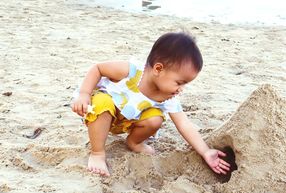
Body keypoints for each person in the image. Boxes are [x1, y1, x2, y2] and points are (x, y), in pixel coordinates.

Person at [72, 32, 231, 177]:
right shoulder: (131, 71)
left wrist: (205, 152)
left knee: (155, 119)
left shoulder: (168, 97)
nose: (181, 89)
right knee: (102, 101)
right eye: (179, 83)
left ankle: (134, 141)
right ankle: (98, 153)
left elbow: (184, 124)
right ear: (158, 68)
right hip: (102, 114)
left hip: (128, 122)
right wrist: (84, 94)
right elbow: (98, 68)